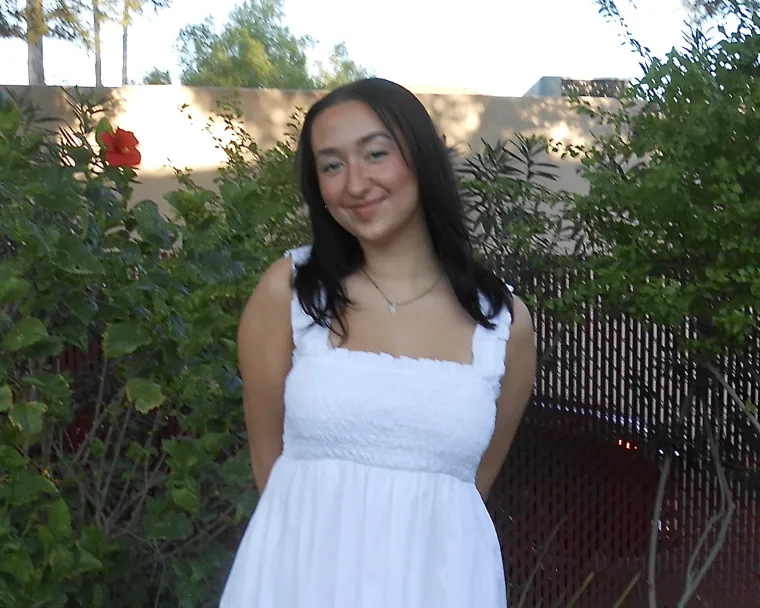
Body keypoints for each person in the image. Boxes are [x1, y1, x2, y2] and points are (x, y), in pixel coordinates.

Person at [220, 77, 536, 608]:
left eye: (375, 153)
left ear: (421, 156)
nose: (355, 183)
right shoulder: (290, 292)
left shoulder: (503, 323)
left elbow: (469, 489)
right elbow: (269, 464)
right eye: (331, 165)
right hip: (298, 583)